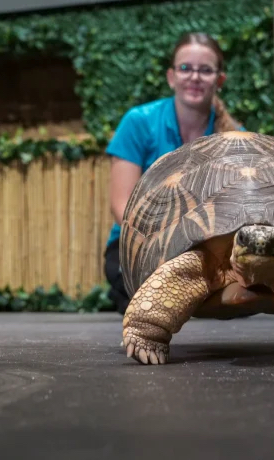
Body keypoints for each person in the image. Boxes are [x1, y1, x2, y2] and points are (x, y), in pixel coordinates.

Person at [103, 32, 246, 314]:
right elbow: (121, 205)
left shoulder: (235, 138)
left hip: (209, 247)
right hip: (140, 242)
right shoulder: (138, 122)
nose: (194, 76)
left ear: (219, 81)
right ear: (171, 77)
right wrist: (166, 247)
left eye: (205, 70)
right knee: (144, 299)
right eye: (185, 68)